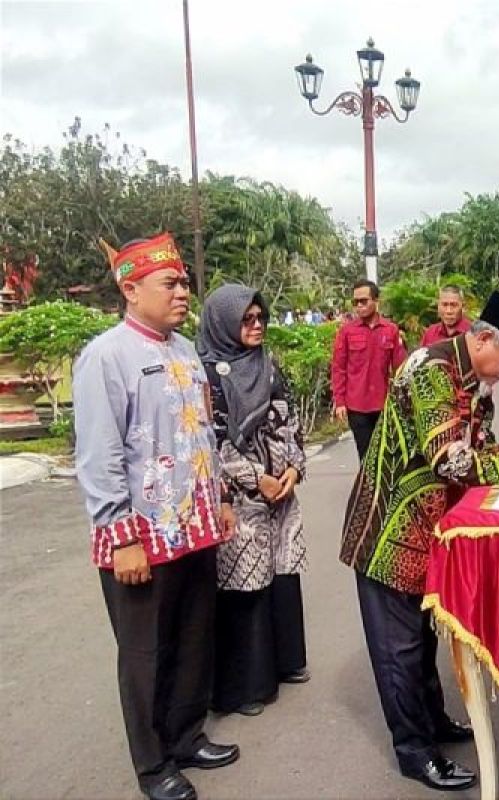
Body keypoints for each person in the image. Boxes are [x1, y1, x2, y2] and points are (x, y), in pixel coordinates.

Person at [339, 292, 499, 792]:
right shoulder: (432, 370)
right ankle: (415, 752)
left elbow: (479, 444)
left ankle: (433, 722)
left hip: (426, 530)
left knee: (423, 639)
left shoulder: (473, 380)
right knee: (400, 649)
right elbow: (451, 461)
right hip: (389, 533)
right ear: (483, 339)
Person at [76, 233, 239, 800]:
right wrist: (121, 536)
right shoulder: (106, 355)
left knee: (195, 638)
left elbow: (204, 436)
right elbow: (100, 454)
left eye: (184, 283)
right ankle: (152, 764)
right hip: (141, 535)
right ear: (130, 288)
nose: (182, 293)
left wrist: (218, 500)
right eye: (170, 284)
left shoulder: (186, 351)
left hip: (193, 529)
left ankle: (186, 733)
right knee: (146, 653)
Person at [197, 284, 309, 719]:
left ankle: (285, 664)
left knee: (281, 575)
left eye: (260, 317)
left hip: (282, 491)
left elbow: (292, 419)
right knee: (244, 585)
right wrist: (255, 479)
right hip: (240, 500)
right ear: (224, 322)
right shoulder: (207, 374)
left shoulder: (268, 365)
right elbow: (212, 441)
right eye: (247, 319)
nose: (257, 325)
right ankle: (245, 685)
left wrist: (294, 469)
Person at [331, 279, 408, 460]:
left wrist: (404, 402)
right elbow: (338, 368)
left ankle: (384, 489)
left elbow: (401, 368)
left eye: (364, 301)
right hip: (357, 406)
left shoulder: (391, 330)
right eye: (355, 302)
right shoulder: (347, 332)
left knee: (388, 456)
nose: (359, 306)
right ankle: (367, 489)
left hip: (384, 405)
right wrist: (340, 401)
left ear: (376, 301)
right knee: (366, 457)